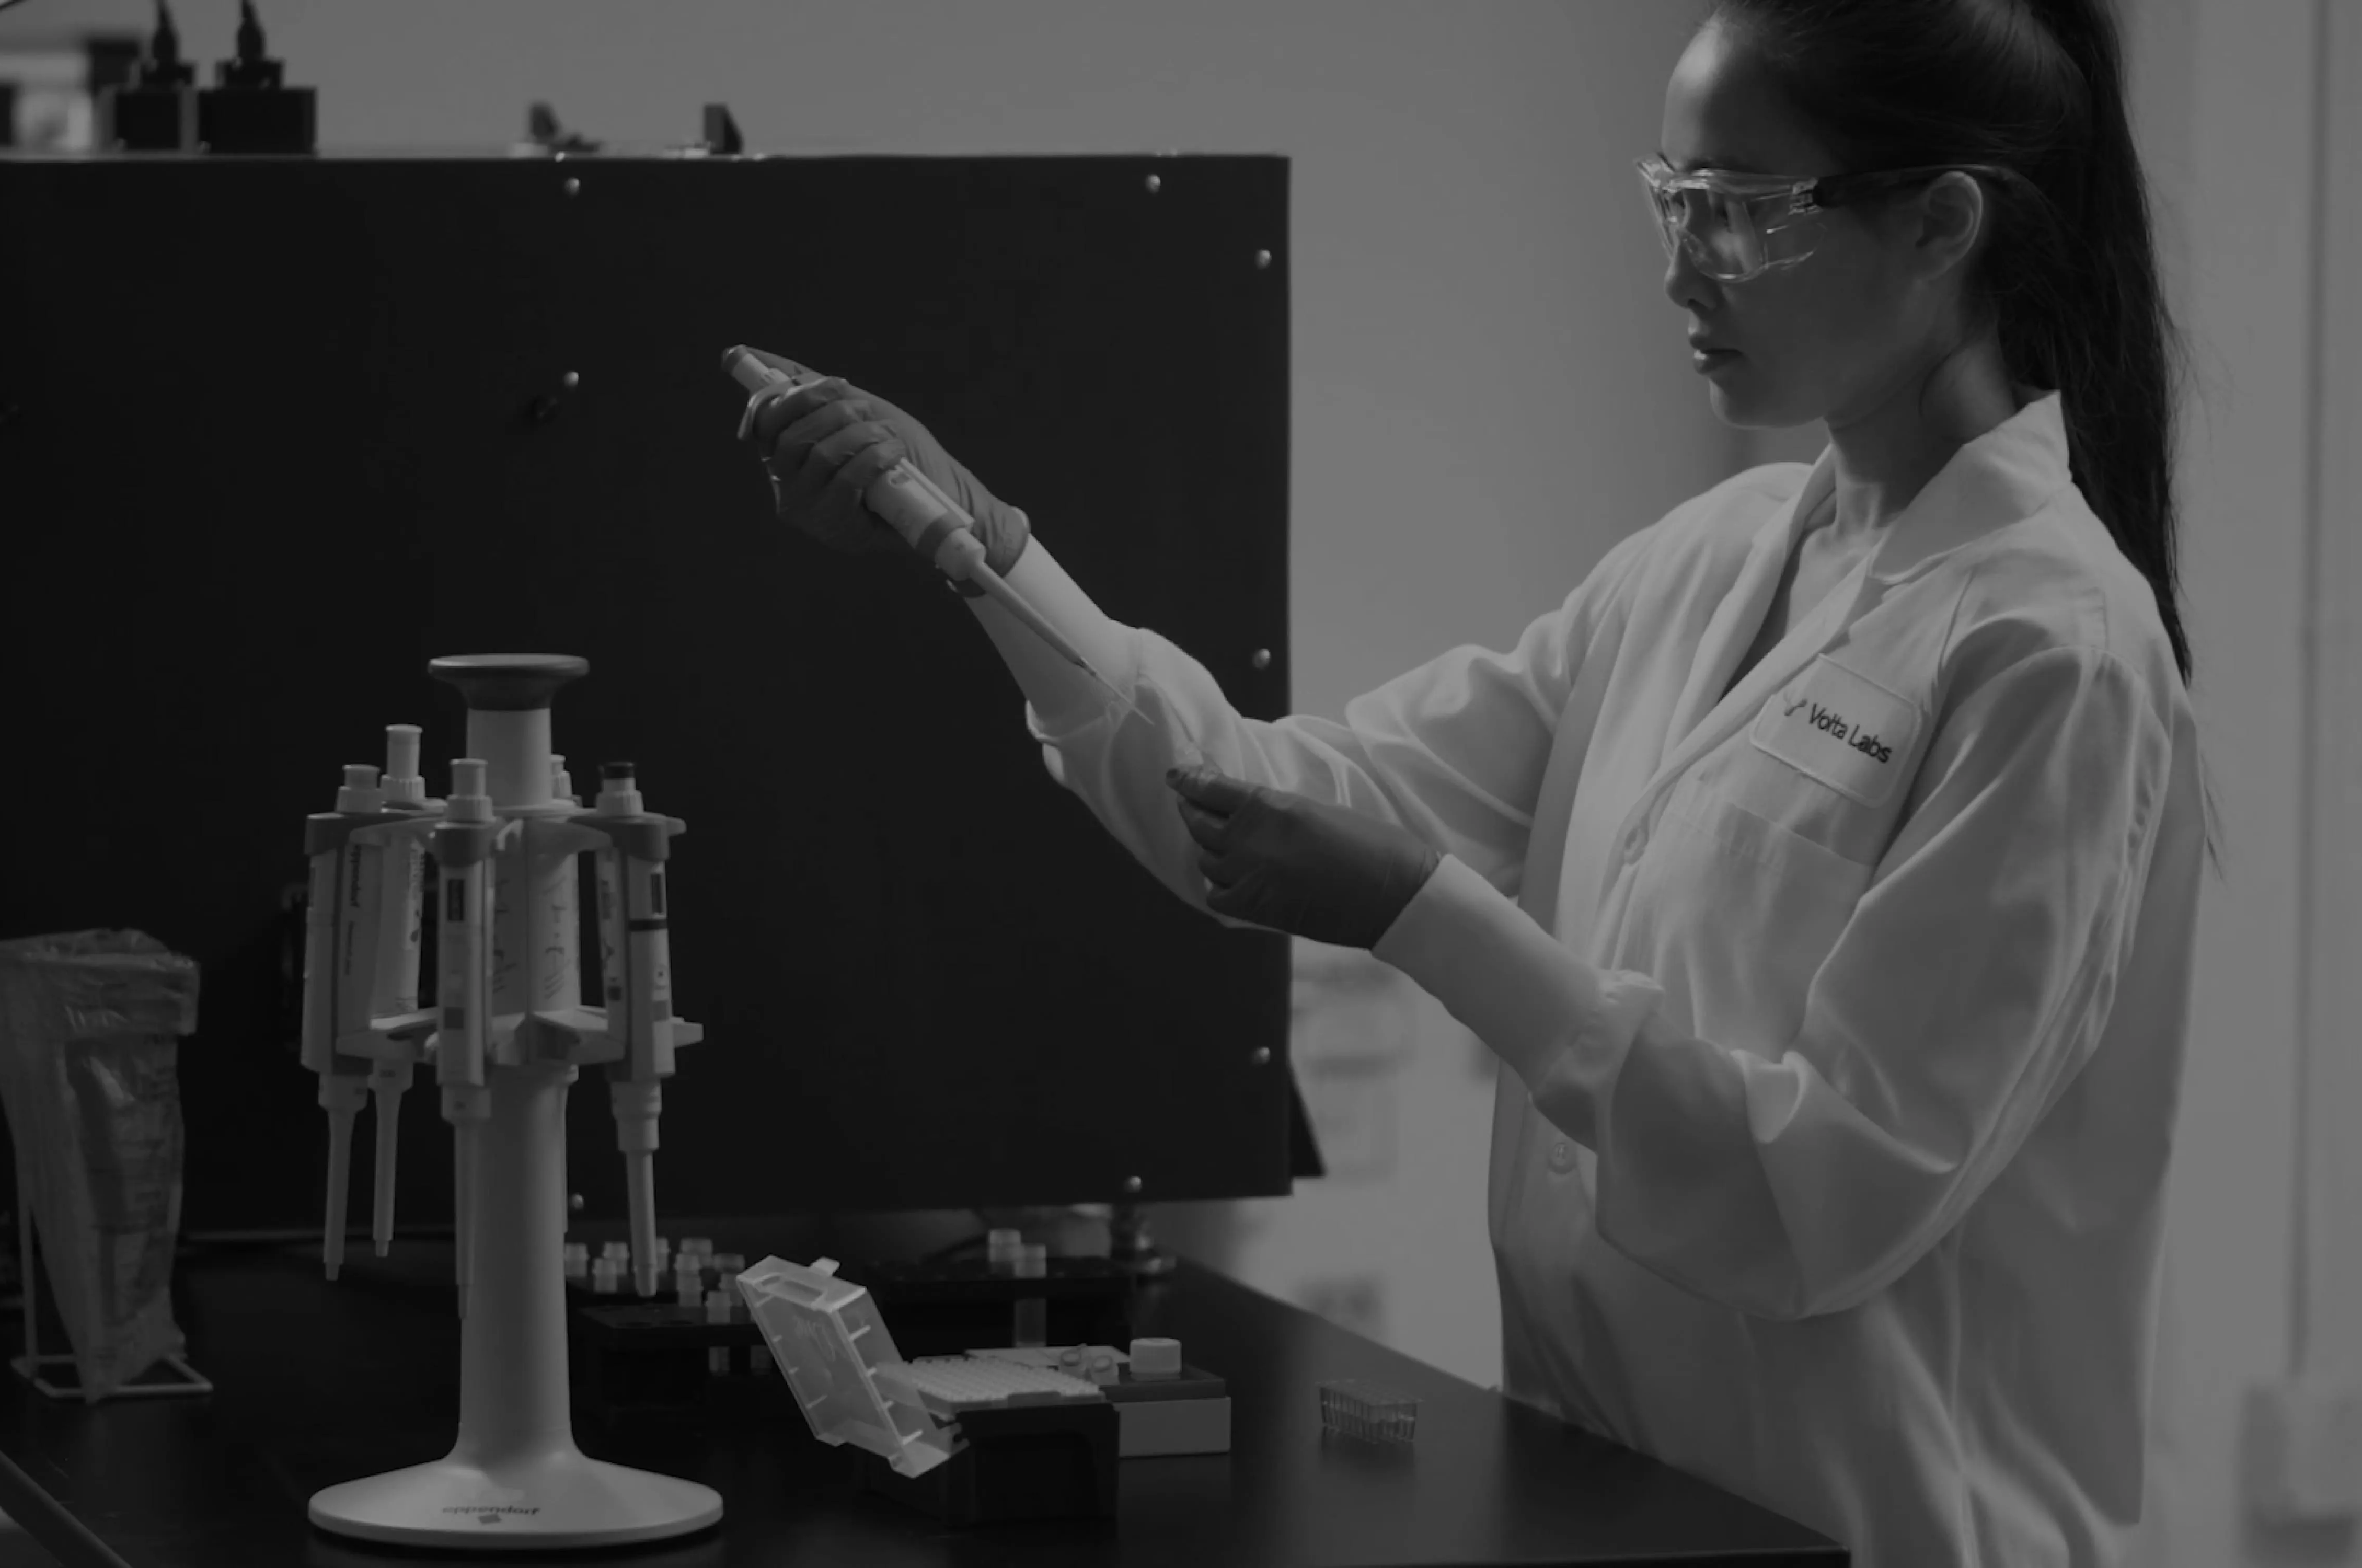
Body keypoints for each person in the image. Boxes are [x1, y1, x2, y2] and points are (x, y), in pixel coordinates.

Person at [735, 0, 2215, 1559]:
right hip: (1615, 1504)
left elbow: (1818, 1199)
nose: (1679, 264)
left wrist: (1417, 917)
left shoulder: (2055, 650)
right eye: (1672, 198)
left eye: (1739, 212)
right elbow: (1255, 800)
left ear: (1941, 225)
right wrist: (982, 547)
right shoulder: (1708, 559)